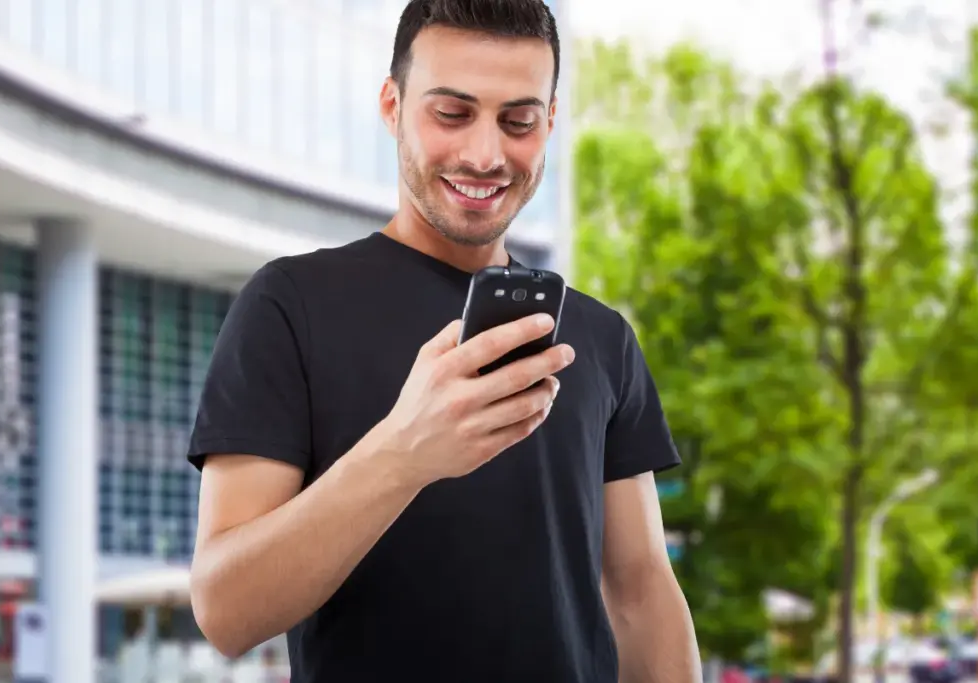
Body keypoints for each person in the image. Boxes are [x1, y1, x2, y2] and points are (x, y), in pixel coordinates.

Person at [186, 1, 702, 681]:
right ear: (392, 105)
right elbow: (226, 611)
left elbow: (639, 593)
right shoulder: (290, 305)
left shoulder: (600, 338)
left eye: (517, 121)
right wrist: (404, 454)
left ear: (548, 123)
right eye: (451, 114)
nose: (485, 154)